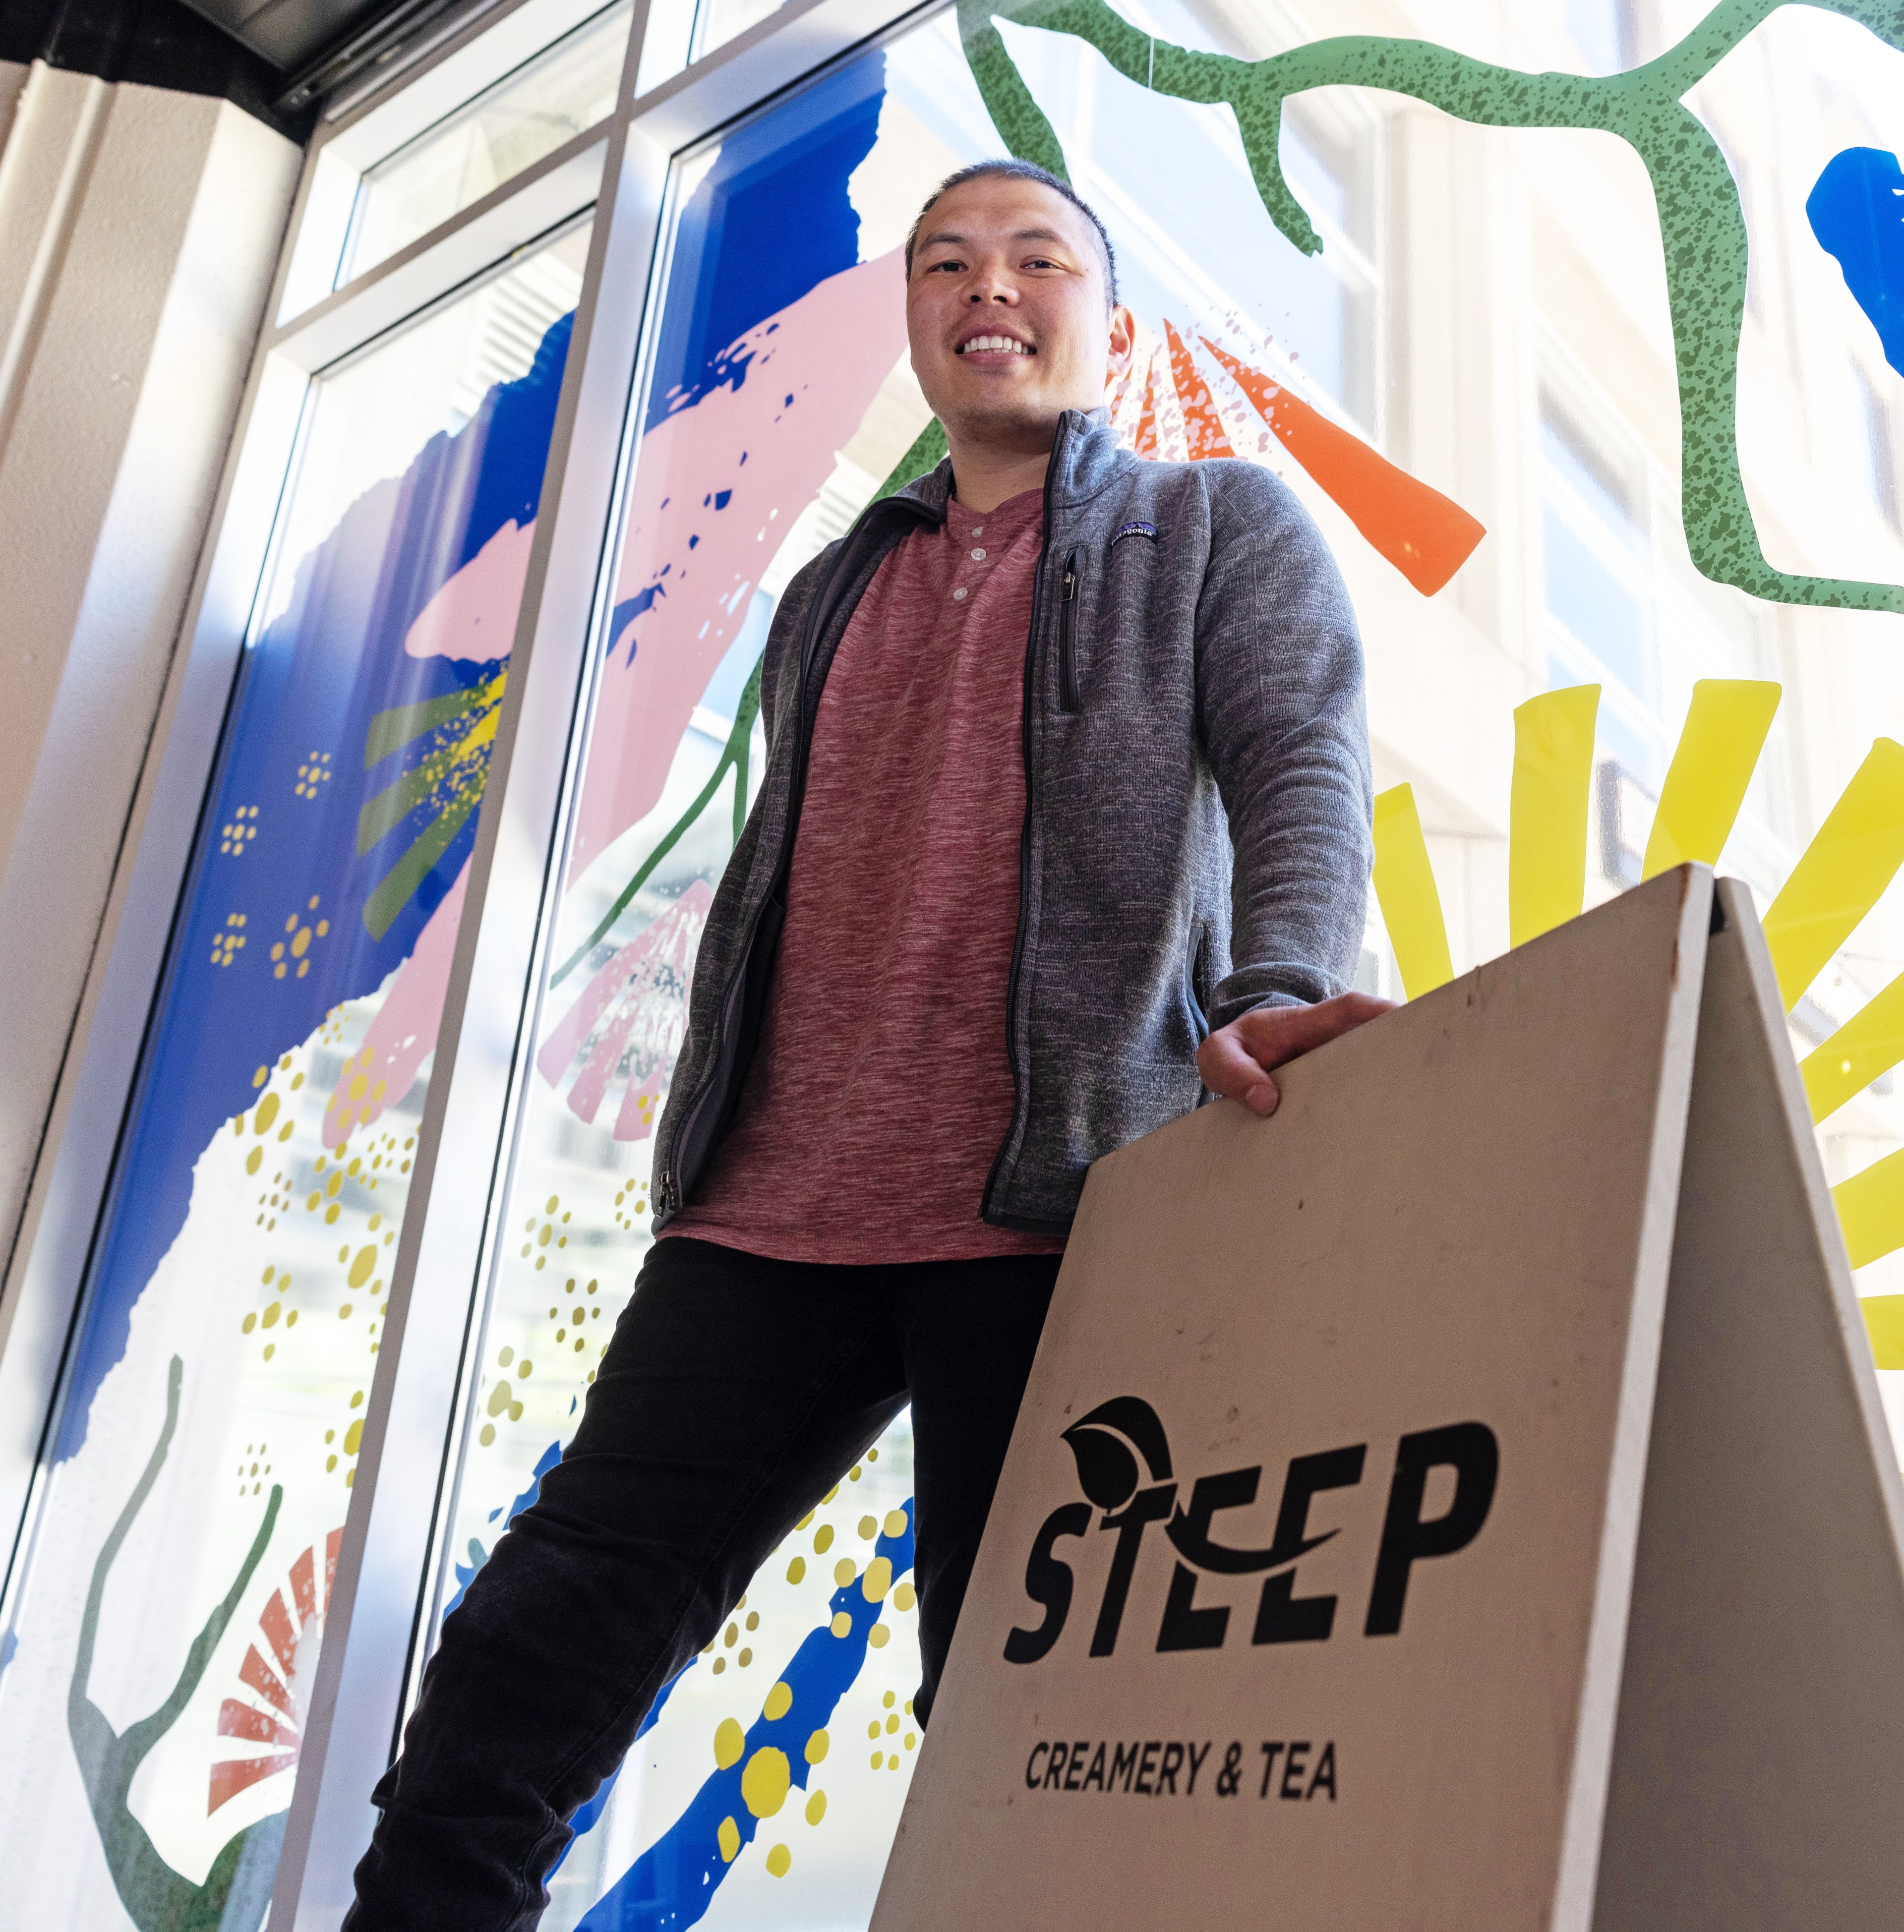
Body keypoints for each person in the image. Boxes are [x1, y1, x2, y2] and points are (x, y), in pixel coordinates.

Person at [345, 158, 1382, 1930]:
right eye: (948, 262)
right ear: (914, 318)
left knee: (1022, 1731)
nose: (993, 285)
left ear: (1102, 318)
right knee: (528, 1663)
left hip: (1058, 1209)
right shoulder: (830, 588)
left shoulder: (1217, 530)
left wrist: (1273, 979)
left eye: (1039, 256)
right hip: (768, 1208)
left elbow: (1302, 758)